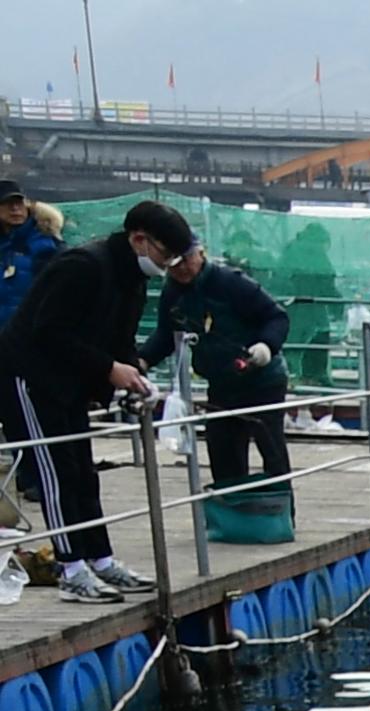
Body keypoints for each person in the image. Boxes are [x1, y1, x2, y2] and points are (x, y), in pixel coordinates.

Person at [0, 200, 188, 599]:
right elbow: (48, 331)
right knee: (55, 473)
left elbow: (119, 337)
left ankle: (100, 559)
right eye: (165, 254)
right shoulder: (83, 265)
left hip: (69, 382)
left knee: (84, 473)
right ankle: (71, 569)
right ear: (139, 239)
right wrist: (107, 368)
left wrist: (133, 372)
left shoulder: (131, 277)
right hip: (29, 376)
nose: (168, 264)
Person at [145, 239, 294, 503]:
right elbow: (167, 335)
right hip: (221, 382)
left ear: (200, 253)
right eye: (173, 264)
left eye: (186, 260)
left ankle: (280, 512)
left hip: (262, 378)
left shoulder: (231, 282)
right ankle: (234, 514)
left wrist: (265, 346)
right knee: (223, 450)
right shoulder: (173, 293)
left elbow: (276, 316)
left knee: (270, 448)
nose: (180, 269)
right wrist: (142, 362)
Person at [0, 182, 60, 330]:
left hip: (27, 337)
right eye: (7, 204)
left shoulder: (46, 247)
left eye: (19, 203)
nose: (15, 209)